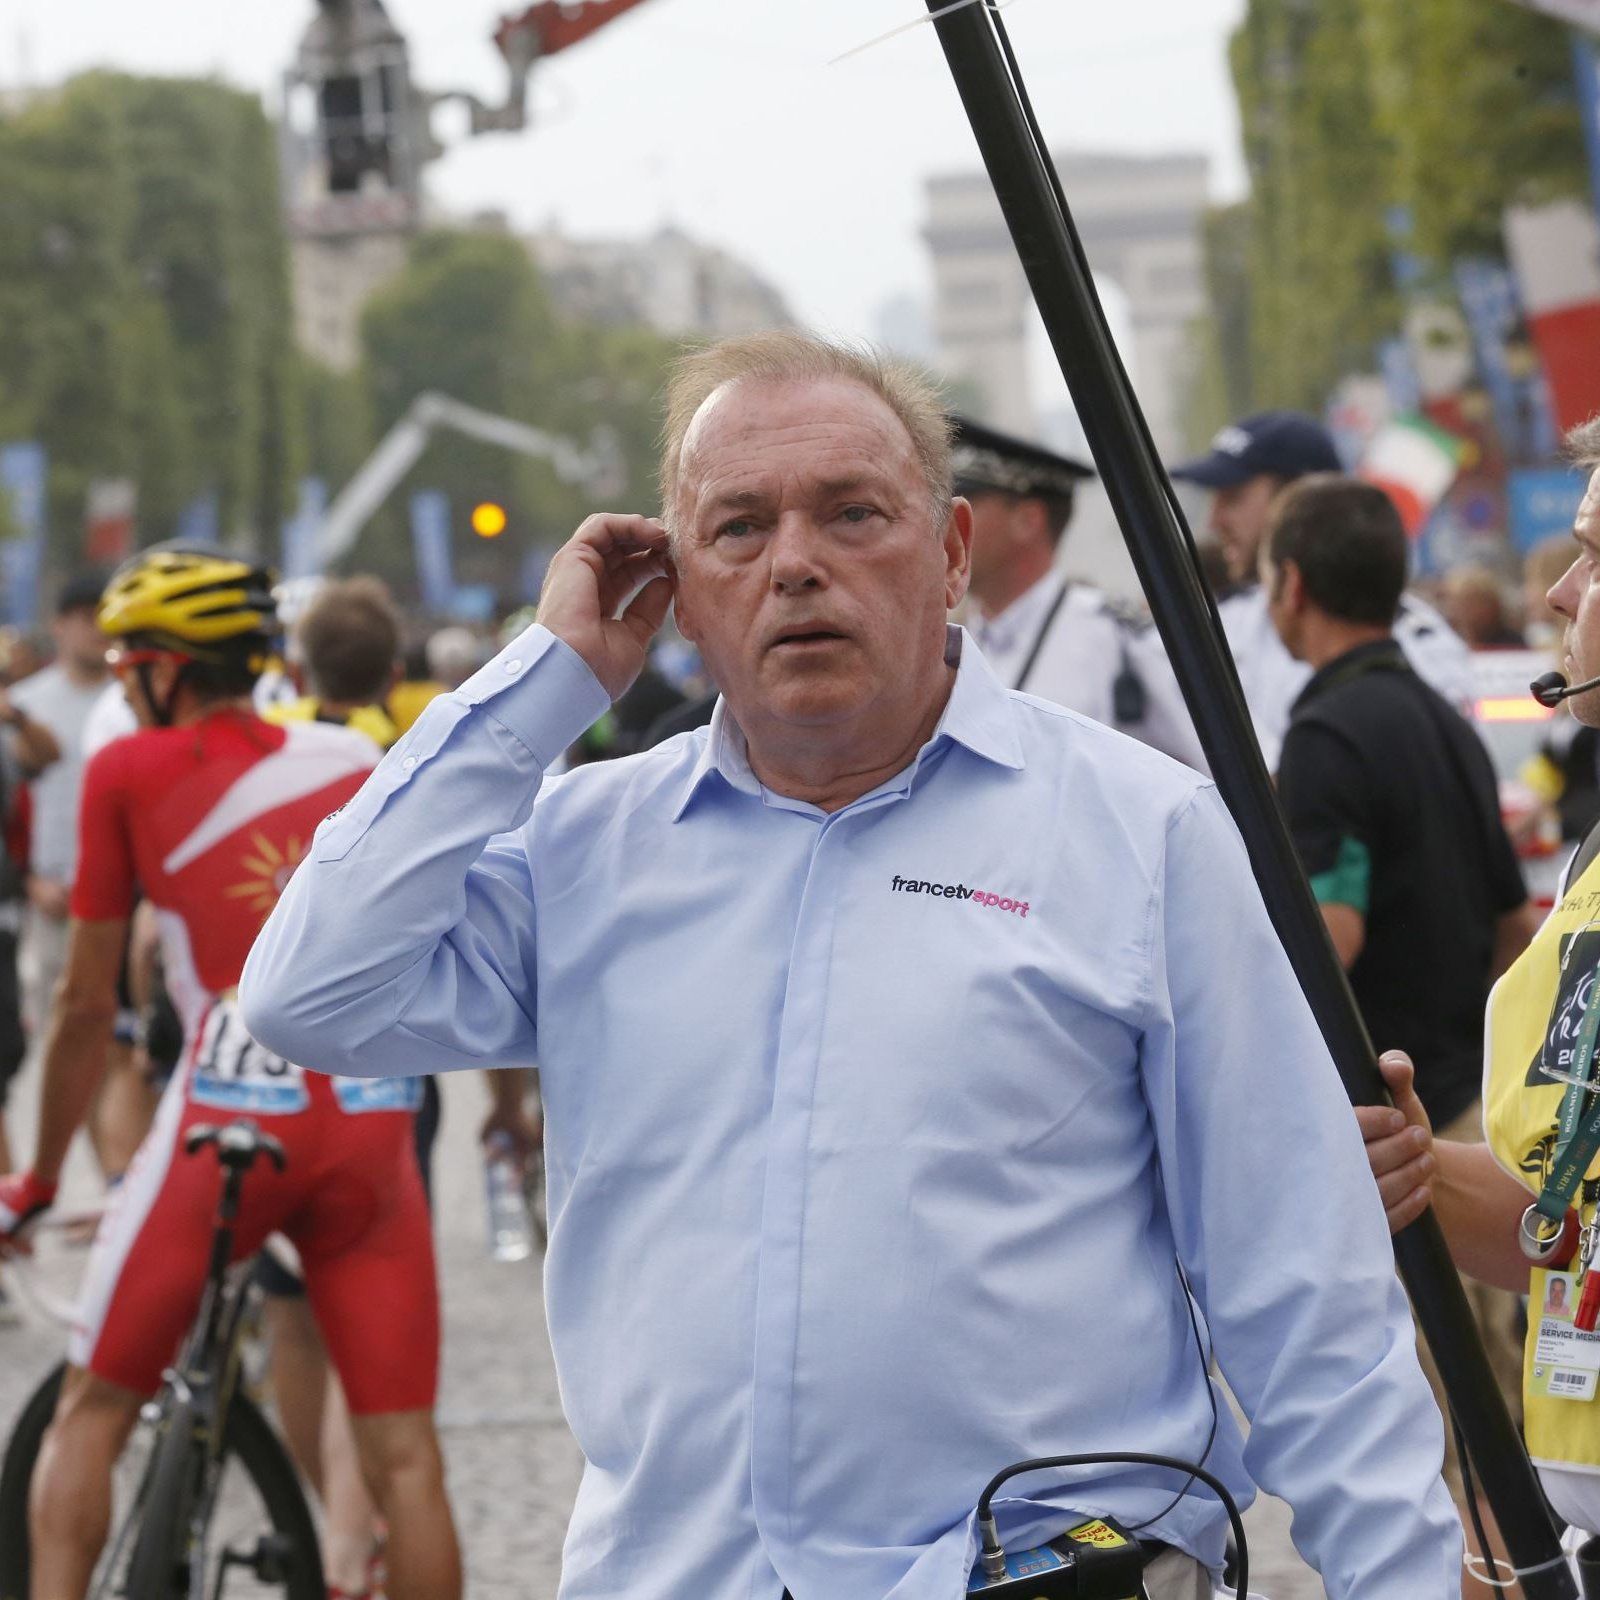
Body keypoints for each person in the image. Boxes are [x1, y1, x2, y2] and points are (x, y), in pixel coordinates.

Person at [242, 330, 1459, 1600]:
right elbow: (307, 990)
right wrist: (546, 683)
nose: (796, 566)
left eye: (851, 513)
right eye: (737, 530)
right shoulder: (589, 846)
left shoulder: (1146, 836)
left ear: (950, 554)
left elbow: (1305, 1303)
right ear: (673, 583)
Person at [0, 547, 461, 1600]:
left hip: (225, 1128)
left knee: (92, 1410)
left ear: (167, 669)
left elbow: (84, 1005)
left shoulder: (126, 771)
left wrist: (36, 1179)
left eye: (129, 665)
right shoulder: (347, 757)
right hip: (367, 1128)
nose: (119, 682)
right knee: (405, 1461)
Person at [1263, 474, 1536, 1575]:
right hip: (1493, 1131)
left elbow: (1328, 929)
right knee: (1518, 1444)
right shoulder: (1443, 718)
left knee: (1450, 1460)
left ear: (1289, 586)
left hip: (1407, 1150)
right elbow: (1516, 918)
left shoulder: (1324, 735)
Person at [1360, 415, 1600, 1566]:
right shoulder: (1590, 866)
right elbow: (1558, 1227)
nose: (1557, 590)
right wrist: (1418, 1167)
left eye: (1596, 554)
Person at [1171, 411, 1473, 768]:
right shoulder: (1220, 626)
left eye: (1233, 496)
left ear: (1301, 497)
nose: (1214, 520)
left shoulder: (1417, 640)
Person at [956, 416, 1207, 769]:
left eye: (965, 504)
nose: (945, 523)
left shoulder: (1116, 639)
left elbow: (1242, 771)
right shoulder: (948, 645)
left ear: (1028, 521)